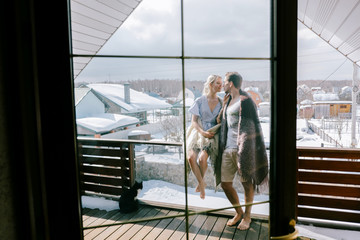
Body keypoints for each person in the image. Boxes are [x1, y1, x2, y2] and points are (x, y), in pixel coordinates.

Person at [218, 72, 268, 230]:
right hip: (228, 149)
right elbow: (220, 121)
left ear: (231, 83)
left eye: (225, 82)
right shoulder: (229, 100)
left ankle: (247, 217)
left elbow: (251, 127)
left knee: (247, 184)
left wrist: (244, 148)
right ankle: (238, 212)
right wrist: (223, 106)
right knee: (225, 184)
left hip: (242, 150)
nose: (223, 85)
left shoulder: (245, 101)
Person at [186, 74, 223, 199]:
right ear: (211, 84)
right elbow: (194, 121)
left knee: (202, 159)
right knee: (191, 158)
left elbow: (222, 122)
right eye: (218, 83)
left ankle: (201, 185)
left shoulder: (222, 102)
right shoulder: (200, 101)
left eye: (221, 83)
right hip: (198, 132)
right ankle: (202, 184)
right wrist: (202, 132)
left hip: (212, 135)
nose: (220, 85)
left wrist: (219, 119)